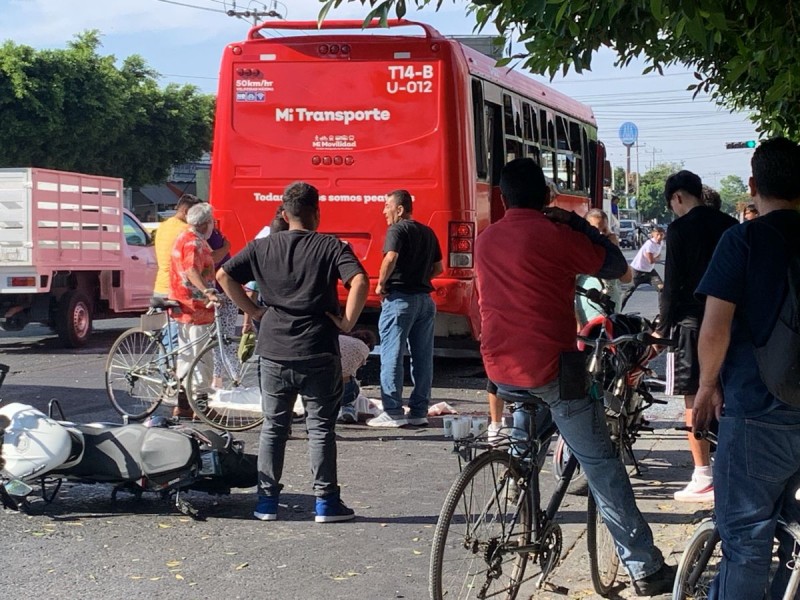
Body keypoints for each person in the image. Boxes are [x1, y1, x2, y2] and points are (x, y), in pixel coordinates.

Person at [475, 157, 674, 597]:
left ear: (503, 198)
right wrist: (575, 222)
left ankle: (524, 519)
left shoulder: (486, 239)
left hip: (498, 367)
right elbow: (617, 266)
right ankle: (644, 567)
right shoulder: (554, 234)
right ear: (548, 197)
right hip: (551, 368)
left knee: (526, 440)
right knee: (603, 467)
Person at [217, 182, 368, 523]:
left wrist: (253, 312)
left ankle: (266, 503)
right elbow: (358, 281)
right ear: (317, 213)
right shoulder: (330, 246)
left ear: (284, 215)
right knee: (320, 428)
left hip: (273, 350)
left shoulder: (261, 247)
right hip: (318, 349)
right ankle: (326, 503)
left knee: (273, 427)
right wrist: (346, 323)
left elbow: (224, 275)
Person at [693, 137, 800, 599]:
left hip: (756, 411)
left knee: (747, 545)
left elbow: (715, 329)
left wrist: (706, 386)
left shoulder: (742, 240)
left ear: (754, 185)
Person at [660, 170, 737, 503]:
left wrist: (663, 328)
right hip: (732, 324)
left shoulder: (678, 229)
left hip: (692, 325)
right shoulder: (730, 226)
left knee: (694, 396)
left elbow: (673, 284)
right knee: (730, 393)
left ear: (678, 197)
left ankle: (702, 474)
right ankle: (730, 467)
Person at [367, 190, 444, 428]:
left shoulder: (397, 230)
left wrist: (381, 284)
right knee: (422, 358)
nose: (384, 211)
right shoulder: (428, 232)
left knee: (392, 354)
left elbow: (390, 258)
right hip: (424, 300)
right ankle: (419, 411)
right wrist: (419, 278)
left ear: (400, 209)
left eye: (387, 206)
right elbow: (438, 268)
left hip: (400, 300)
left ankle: (392, 411)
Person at [168, 202, 219, 419]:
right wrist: (208, 291)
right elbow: (191, 270)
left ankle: (184, 406)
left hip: (182, 305)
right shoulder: (194, 243)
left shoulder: (183, 237)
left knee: (187, 356)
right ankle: (201, 406)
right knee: (201, 358)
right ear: (206, 223)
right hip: (196, 307)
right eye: (212, 222)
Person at [576, 208, 632, 323]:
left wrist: (615, 248)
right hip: (588, 318)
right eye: (596, 230)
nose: (601, 234)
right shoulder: (579, 252)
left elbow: (627, 278)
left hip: (610, 316)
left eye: (604, 230)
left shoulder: (611, 255)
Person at [153, 193, 203, 298]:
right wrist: (226, 247)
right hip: (178, 289)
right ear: (186, 212)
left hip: (160, 288)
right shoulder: (187, 230)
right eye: (197, 213)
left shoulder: (162, 226)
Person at [206, 226, 237, 388]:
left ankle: (225, 377)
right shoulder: (207, 235)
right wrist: (226, 247)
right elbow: (214, 258)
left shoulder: (212, 232)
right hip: (218, 291)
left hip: (223, 290)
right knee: (221, 338)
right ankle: (221, 377)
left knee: (223, 338)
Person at [619, 226, 665, 310]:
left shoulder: (661, 243)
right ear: (653, 235)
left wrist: (657, 258)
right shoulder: (649, 244)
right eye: (657, 234)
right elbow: (650, 260)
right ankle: (617, 310)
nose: (659, 237)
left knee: (662, 288)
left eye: (661, 235)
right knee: (628, 292)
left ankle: (663, 313)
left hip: (649, 271)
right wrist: (658, 258)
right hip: (637, 271)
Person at [336, 329, 376, 424]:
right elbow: (351, 371)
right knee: (352, 387)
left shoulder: (339, 337)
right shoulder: (364, 348)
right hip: (339, 384)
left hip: (315, 379)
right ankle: (347, 409)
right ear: (369, 344)